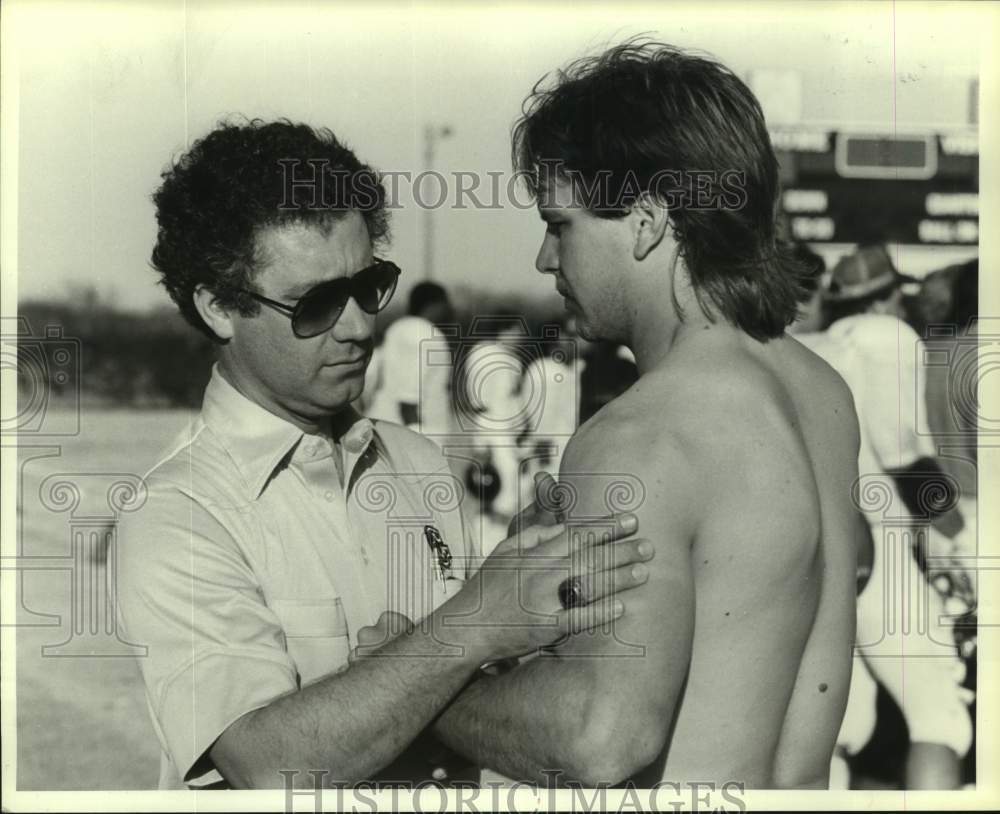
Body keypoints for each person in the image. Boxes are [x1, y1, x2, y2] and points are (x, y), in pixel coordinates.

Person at [113, 119, 656, 790]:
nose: (359, 326)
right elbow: (267, 765)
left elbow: (465, 688)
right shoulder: (178, 512)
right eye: (315, 303)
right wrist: (474, 623)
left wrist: (532, 595)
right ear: (218, 307)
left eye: (369, 286)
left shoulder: (417, 463)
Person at [427, 40, 863, 788]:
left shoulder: (640, 435)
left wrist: (429, 684)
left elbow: (603, 736)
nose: (543, 258)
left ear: (647, 221)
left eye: (560, 224)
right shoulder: (820, 393)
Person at [795, 246, 975, 789]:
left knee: (843, 725)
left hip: (815, 549)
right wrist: (956, 535)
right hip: (877, 545)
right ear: (887, 297)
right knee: (940, 716)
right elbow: (901, 453)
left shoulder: (806, 345)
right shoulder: (886, 338)